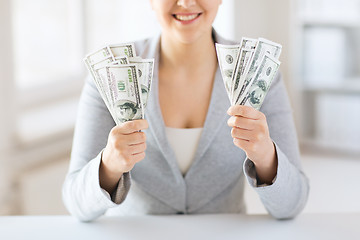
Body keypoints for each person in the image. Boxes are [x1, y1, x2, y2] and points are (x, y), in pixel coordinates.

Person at [63, 0, 309, 221]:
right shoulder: (109, 74)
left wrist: (266, 156)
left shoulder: (258, 74)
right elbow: (76, 202)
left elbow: (292, 204)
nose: (186, 2)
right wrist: (109, 166)